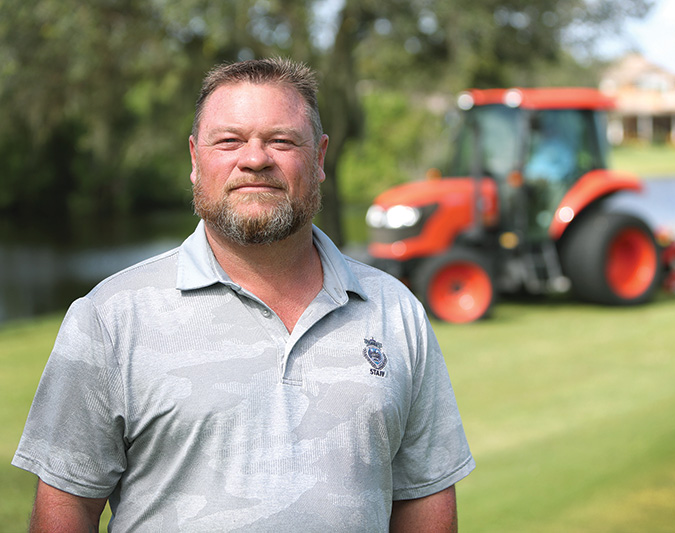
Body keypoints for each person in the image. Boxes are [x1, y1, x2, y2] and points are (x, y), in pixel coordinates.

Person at [12, 57, 475, 532]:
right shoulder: (110, 318)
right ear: (195, 159)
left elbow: (424, 499)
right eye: (229, 140)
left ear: (319, 159)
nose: (255, 159)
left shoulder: (395, 312)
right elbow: (64, 509)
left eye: (281, 140)